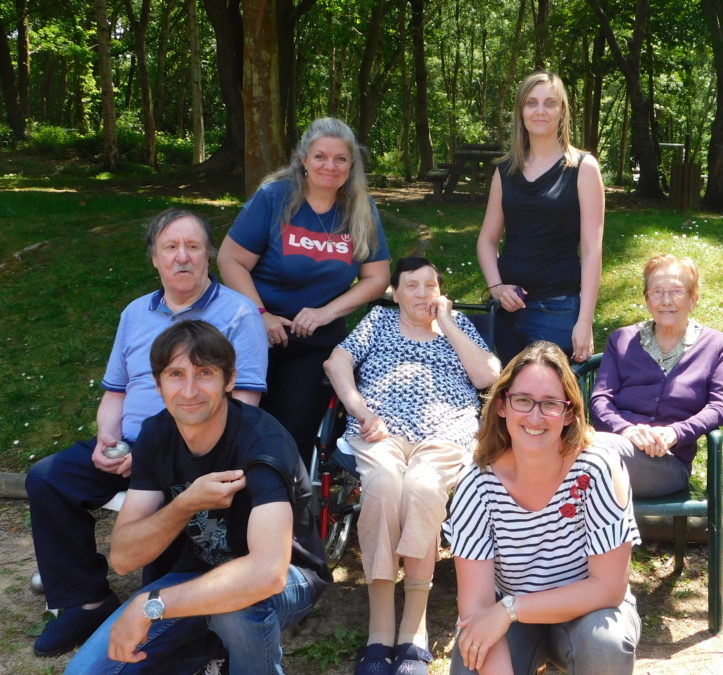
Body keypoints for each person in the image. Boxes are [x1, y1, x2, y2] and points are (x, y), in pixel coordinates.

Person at [24, 209, 267, 658]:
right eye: (170, 248)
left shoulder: (237, 313)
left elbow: (245, 402)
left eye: (193, 247)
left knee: (160, 562)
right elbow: (115, 392)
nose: (182, 258)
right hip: (129, 447)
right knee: (48, 478)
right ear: (154, 258)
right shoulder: (135, 313)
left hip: (193, 452)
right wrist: (105, 440)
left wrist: (159, 450)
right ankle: (86, 601)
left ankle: (169, 619)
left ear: (208, 256)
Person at [66, 320, 331, 674]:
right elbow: (125, 557)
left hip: (290, 577)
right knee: (86, 672)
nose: (189, 390)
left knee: (236, 607)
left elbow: (269, 573)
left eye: (204, 372)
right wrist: (186, 503)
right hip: (197, 575)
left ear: (230, 379)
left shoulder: (262, 442)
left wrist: (150, 605)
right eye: (176, 374)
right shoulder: (156, 434)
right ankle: (208, 654)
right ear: (159, 385)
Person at [323, 256, 500, 674]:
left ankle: (414, 626)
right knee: (383, 485)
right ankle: (380, 628)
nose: (423, 294)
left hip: (445, 435)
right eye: (412, 286)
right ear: (395, 292)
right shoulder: (378, 324)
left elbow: (487, 377)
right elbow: (336, 361)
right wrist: (360, 410)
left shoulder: (457, 330)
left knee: (421, 488)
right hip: (379, 432)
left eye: (430, 286)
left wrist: (450, 324)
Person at [446, 341, 641, 675]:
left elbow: (608, 588)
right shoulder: (476, 484)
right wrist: (504, 614)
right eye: (523, 400)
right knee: (471, 666)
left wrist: (509, 609)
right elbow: (477, 608)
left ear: (568, 413)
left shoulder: (595, 469)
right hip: (512, 618)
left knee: (605, 645)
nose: (534, 416)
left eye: (549, 404)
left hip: (588, 610)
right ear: (503, 406)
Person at [218, 116, 392, 462]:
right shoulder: (275, 198)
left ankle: (281, 496)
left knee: (294, 424)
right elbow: (230, 260)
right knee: (237, 417)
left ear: (351, 165)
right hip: (258, 329)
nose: (331, 166)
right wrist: (261, 315)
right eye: (321, 156)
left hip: (317, 339)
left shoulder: (360, 210)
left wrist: (325, 312)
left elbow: (378, 277)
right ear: (303, 160)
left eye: (341, 158)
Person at [476, 70, 604, 363]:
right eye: (531, 103)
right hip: (508, 310)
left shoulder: (583, 167)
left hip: (557, 310)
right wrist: (496, 288)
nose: (540, 110)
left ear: (562, 111)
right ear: (521, 112)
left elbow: (591, 249)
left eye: (550, 103)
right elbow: (487, 239)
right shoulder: (505, 170)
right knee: (509, 399)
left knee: (552, 401)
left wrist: (584, 321)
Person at [589, 254, 723, 497]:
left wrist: (676, 432)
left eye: (677, 291)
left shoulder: (714, 343)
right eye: (656, 291)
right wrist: (627, 430)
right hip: (615, 445)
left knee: (583, 452)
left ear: (693, 299)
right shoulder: (621, 339)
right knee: (590, 454)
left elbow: (719, 407)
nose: (666, 300)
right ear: (647, 299)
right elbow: (600, 400)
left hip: (668, 464)